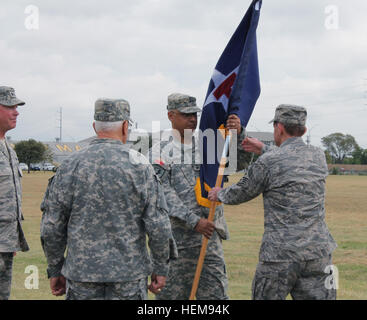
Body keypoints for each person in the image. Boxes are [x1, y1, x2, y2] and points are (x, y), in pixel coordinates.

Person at [40, 98, 176, 300]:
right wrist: (160, 267)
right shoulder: (140, 166)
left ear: (95, 127)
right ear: (125, 126)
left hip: (81, 276)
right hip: (128, 278)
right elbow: (158, 225)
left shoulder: (70, 166)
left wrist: (55, 267)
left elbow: (52, 226)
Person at [209, 104, 337, 300]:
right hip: (319, 252)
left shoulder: (268, 162)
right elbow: (291, 159)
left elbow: (242, 191)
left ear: (279, 128)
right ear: (303, 129)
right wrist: (263, 149)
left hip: (280, 254)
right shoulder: (318, 155)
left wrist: (220, 193)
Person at [149, 93, 251, 300]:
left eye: (195, 115)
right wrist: (194, 221)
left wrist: (239, 133)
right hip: (177, 243)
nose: (193, 120)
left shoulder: (210, 145)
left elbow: (240, 163)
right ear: (171, 115)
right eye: (186, 115)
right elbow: (163, 194)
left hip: (209, 238)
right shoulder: (159, 150)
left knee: (215, 299)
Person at [0, 86, 29, 300]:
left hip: (5, 243)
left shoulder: (7, 147)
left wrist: (10, 239)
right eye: (10, 106)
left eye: (16, 106)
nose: (16, 112)